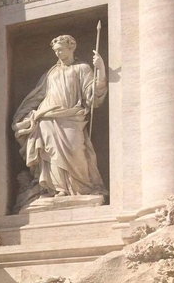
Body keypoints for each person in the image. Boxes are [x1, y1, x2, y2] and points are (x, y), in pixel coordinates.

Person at [12, 34, 107, 205]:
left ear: (71, 48)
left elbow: (92, 96)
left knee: (76, 150)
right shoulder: (51, 73)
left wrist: (100, 70)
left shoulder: (82, 68)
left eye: (61, 50)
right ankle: (57, 189)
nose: (57, 54)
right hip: (47, 118)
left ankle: (81, 188)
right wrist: (23, 115)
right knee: (51, 153)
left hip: (71, 117)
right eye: (55, 51)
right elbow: (38, 96)